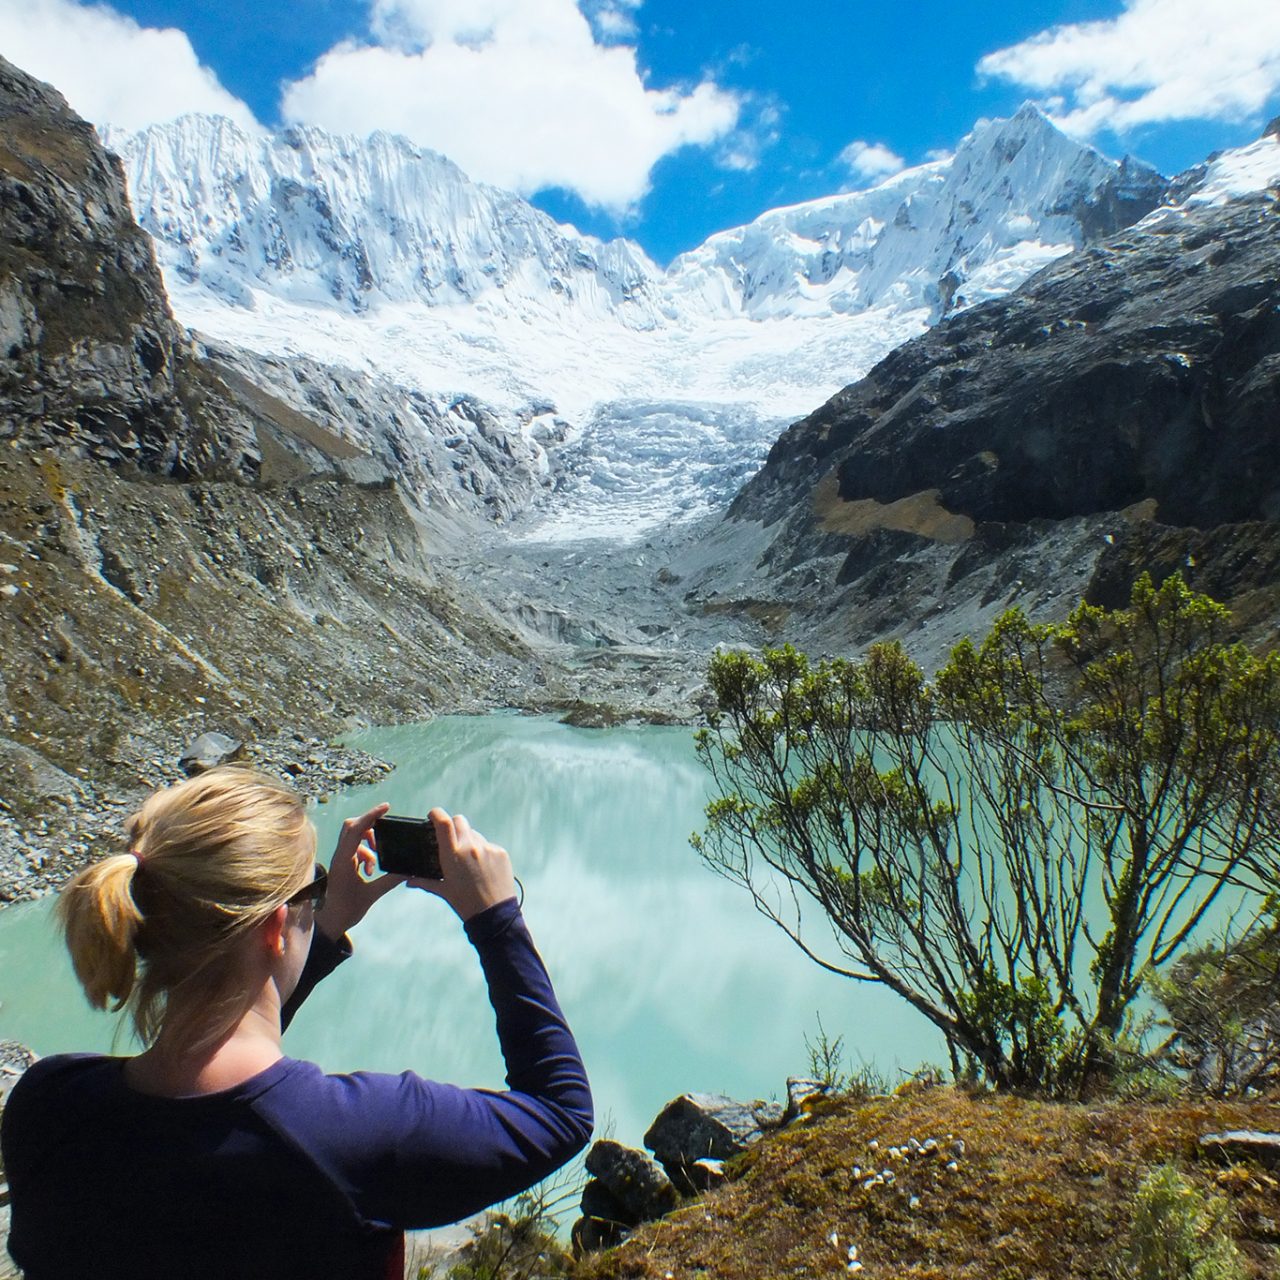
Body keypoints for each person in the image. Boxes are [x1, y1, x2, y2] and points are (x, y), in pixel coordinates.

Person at [0, 766, 592, 1279]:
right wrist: (496, 918)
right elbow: (561, 1111)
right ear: (276, 927)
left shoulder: (48, 1106)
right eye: (314, 888)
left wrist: (321, 927)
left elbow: (222, 1069)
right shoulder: (353, 1138)